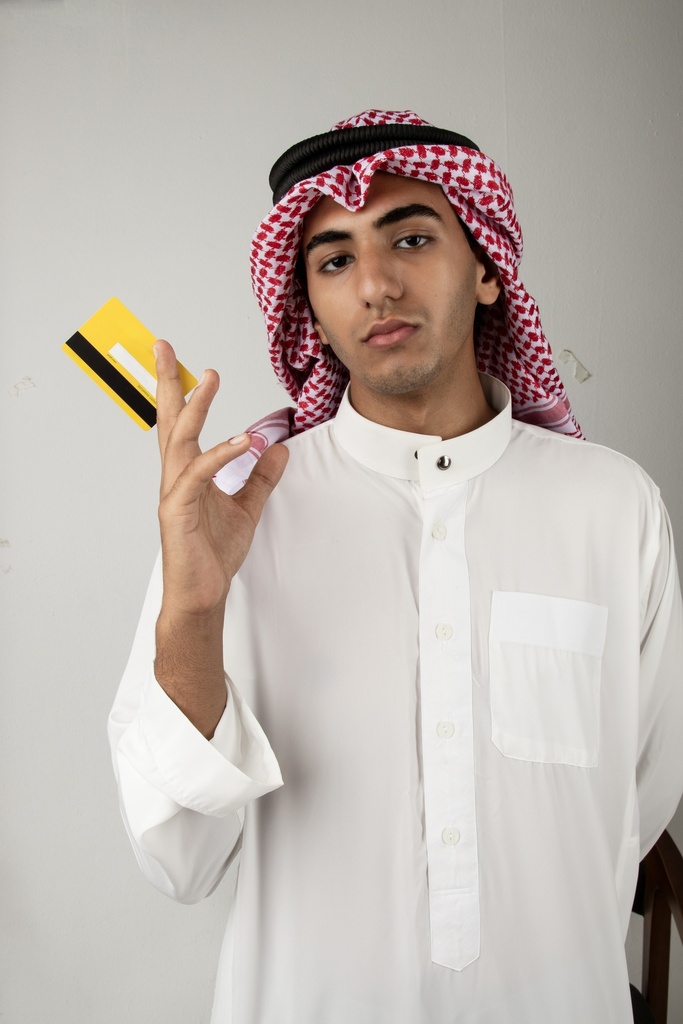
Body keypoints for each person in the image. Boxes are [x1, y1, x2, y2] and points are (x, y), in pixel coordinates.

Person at [108, 110, 683, 1023]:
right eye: (333, 259)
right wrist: (193, 610)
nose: (375, 284)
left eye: (411, 237)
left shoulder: (613, 509)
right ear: (310, 308)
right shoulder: (233, 521)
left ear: (487, 269)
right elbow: (180, 860)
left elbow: (634, 804)